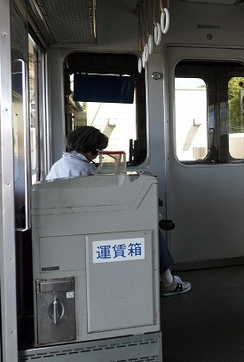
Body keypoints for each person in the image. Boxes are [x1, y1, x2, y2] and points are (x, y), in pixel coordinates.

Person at [46, 125, 191, 297]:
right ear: (90, 151)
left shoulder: (61, 164)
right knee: (150, 227)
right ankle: (168, 282)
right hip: (86, 228)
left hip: (69, 225)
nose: (98, 156)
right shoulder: (84, 171)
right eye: (98, 151)